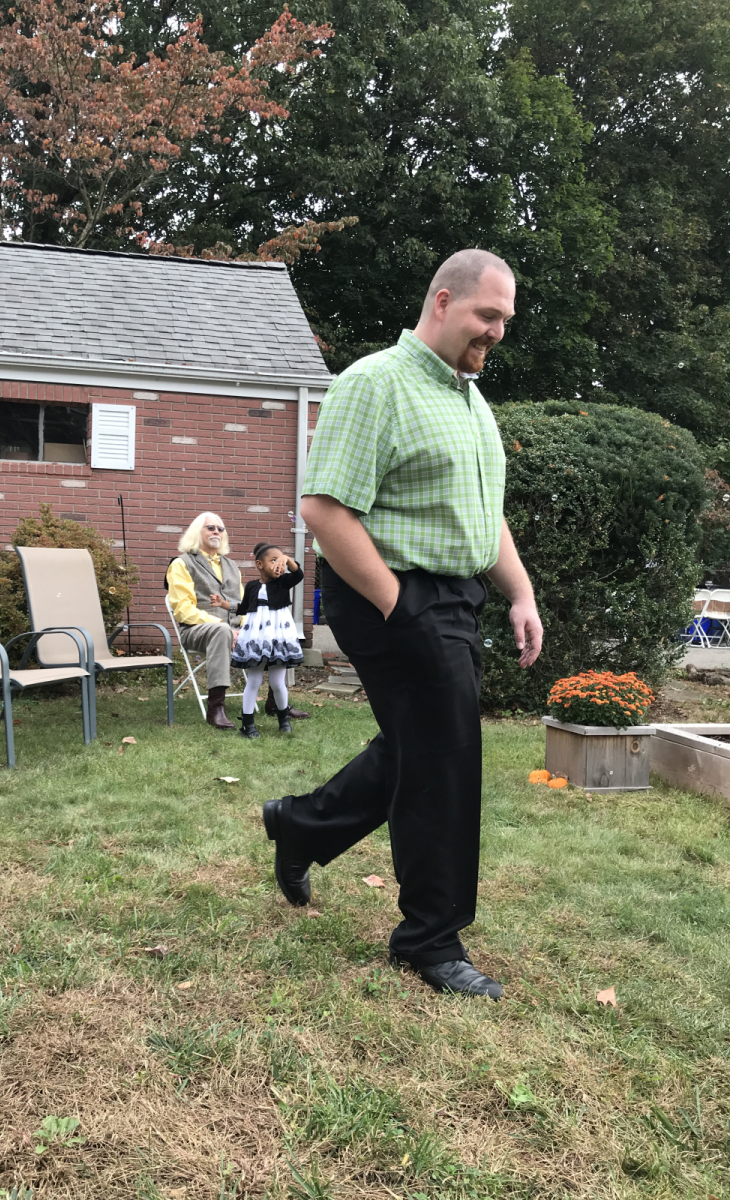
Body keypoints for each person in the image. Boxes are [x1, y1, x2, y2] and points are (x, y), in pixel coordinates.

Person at [261, 249, 543, 1001]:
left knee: (423, 741)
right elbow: (324, 509)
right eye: (488, 315)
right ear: (443, 301)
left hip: (454, 596)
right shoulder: (375, 383)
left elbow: (483, 516)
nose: (498, 332)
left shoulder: (469, 399)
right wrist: (397, 603)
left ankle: (301, 825)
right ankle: (430, 939)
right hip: (390, 590)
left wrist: (519, 593)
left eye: (506, 320)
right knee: (445, 756)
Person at [166, 513, 310, 728]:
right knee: (222, 631)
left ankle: (277, 702)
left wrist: (247, 628)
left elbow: (247, 606)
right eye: (211, 528)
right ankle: (216, 708)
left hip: (237, 630)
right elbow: (183, 610)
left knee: (274, 633)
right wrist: (224, 626)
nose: (217, 532)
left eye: (220, 529)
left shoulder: (231, 565)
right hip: (197, 630)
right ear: (196, 532)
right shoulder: (181, 563)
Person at [230, 543, 304, 738]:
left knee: (278, 682)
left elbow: (298, 575)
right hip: (256, 638)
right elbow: (244, 608)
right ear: (259, 564)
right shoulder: (252, 586)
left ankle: (284, 719)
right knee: (253, 680)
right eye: (273, 560)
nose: (279, 565)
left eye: (281, 561)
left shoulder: (284, 582)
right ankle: (247, 724)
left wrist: (287, 559)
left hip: (278, 637)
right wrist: (224, 604)